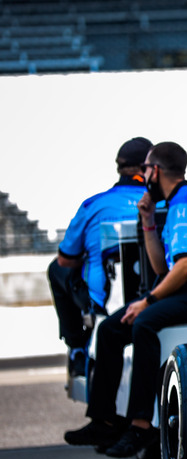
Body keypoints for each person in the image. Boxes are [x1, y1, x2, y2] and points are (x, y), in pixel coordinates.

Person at [64, 141, 187, 457]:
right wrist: (147, 221)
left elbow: (186, 266)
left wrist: (147, 300)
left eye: (145, 169)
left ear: (155, 170)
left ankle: (141, 426)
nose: (142, 176)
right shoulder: (174, 205)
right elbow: (162, 267)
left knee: (143, 322)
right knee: (111, 329)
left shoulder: (185, 205)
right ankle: (104, 419)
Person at [49, 137, 152, 376]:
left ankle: (76, 348)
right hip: (160, 294)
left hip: (104, 302)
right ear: (148, 168)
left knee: (56, 269)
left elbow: (66, 260)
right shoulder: (168, 203)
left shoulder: (93, 205)